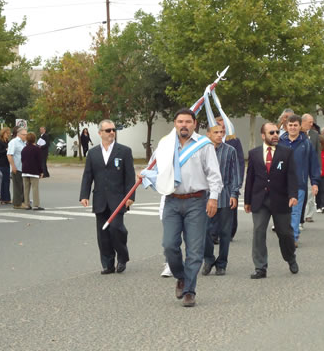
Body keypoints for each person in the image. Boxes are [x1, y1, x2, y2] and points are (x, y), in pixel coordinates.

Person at [142, 108, 223, 307]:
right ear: (175, 124)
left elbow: (214, 175)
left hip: (197, 201)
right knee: (169, 245)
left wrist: (213, 199)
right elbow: (156, 168)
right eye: (180, 122)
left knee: (194, 250)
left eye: (188, 121)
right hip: (172, 200)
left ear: (194, 124)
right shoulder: (165, 144)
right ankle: (181, 276)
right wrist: (145, 174)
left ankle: (189, 291)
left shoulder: (204, 145)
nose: (184, 125)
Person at [79, 119, 136, 275]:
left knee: (117, 229)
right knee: (103, 233)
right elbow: (88, 175)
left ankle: (122, 257)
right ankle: (108, 263)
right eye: (108, 130)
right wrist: (84, 195)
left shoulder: (124, 151)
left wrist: (130, 196)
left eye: (113, 130)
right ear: (100, 133)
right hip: (100, 199)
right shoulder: (93, 153)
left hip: (118, 199)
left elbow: (130, 176)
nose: (112, 133)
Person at [245, 122, 299, 279]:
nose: (275, 135)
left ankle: (290, 258)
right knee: (258, 231)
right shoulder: (254, 154)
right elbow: (250, 179)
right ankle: (260, 267)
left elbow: (292, 176)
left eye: (276, 132)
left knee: (285, 233)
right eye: (271, 133)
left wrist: (293, 195)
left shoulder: (286, 153)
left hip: (281, 199)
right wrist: (247, 200)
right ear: (263, 136)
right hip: (260, 199)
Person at [202, 124, 239, 276]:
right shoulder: (202, 150)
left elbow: (235, 173)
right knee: (205, 231)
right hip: (205, 197)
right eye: (216, 132)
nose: (219, 135)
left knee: (225, 232)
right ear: (208, 134)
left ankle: (222, 263)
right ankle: (209, 259)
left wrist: (234, 194)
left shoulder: (230, 151)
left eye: (222, 132)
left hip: (224, 196)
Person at [279, 115, 320, 247]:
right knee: (284, 211)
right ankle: (285, 235)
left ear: (299, 126)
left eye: (295, 125)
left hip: (299, 183)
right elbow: (275, 162)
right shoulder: (280, 141)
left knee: (296, 211)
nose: (292, 128)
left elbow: (313, 163)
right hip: (282, 184)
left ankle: (293, 236)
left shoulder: (306, 143)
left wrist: (314, 182)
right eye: (290, 125)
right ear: (286, 127)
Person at [216, 116, 244, 240]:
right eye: (218, 125)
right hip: (215, 180)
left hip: (230, 180)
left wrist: (238, 182)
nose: (221, 128)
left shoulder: (234, 141)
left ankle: (229, 232)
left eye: (223, 126)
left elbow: (240, 162)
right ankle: (214, 233)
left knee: (231, 207)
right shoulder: (209, 141)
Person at [300, 113, 321, 224]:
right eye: (310, 122)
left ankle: (309, 214)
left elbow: (318, 152)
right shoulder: (296, 133)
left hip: (311, 167)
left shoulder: (315, 134)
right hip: (300, 168)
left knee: (311, 192)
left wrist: (318, 168)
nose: (312, 124)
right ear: (303, 122)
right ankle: (300, 215)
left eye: (312, 122)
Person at [21, 132, 44, 210]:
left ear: (27, 139)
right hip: (34, 171)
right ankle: (35, 205)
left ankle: (27, 204)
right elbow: (39, 161)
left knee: (26, 189)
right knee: (35, 188)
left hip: (24, 171)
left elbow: (22, 160)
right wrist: (41, 171)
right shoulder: (37, 149)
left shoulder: (24, 149)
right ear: (34, 139)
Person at [7, 127, 27, 209]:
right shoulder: (14, 142)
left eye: (26, 134)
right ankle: (17, 204)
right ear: (19, 134)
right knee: (17, 186)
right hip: (17, 167)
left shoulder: (24, 142)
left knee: (22, 186)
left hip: (24, 168)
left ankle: (22, 201)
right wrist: (13, 166)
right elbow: (9, 155)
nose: (26, 136)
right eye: (24, 134)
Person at [0, 127, 11, 204]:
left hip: (7, 163)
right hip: (2, 163)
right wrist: (6, 150)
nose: (8, 135)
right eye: (7, 133)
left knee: (7, 181)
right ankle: (3, 199)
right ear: (3, 133)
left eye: (8, 133)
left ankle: (7, 198)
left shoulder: (7, 141)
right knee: (3, 182)